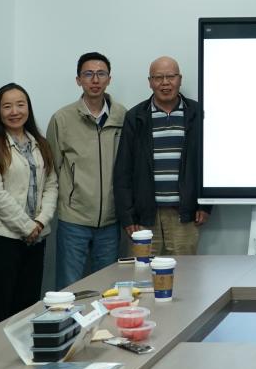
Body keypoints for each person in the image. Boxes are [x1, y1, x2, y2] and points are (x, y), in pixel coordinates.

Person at [0, 83, 57, 328]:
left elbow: (51, 186)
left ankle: (21, 355)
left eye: (20, 105)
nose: (15, 111)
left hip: (35, 238)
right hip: (1, 238)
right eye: (7, 106)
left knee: (27, 310)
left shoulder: (40, 143)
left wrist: (40, 222)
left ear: (28, 108)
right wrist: (27, 226)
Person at [114, 56, 209, 256]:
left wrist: (206, 205)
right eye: (158, 78)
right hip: (144, 218)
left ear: (180, 79)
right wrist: (128, 217)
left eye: (170, 77)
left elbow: (208, 164)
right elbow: (123, 170)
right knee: (142, 271)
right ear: (150, 82)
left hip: (185, 215)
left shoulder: (197, 113)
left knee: (185, 272)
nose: (165, 83)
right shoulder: (135, 117)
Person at [48, 52, 127, 288]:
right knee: (69, 288)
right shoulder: (62, 118)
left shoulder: (122, 116)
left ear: (109, 79)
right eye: (88, 74)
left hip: (111, 220)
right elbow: (51, 168)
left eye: (101, 74)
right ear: (78, 80)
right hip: (74, 219)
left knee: (107, 288)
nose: (95, 80)